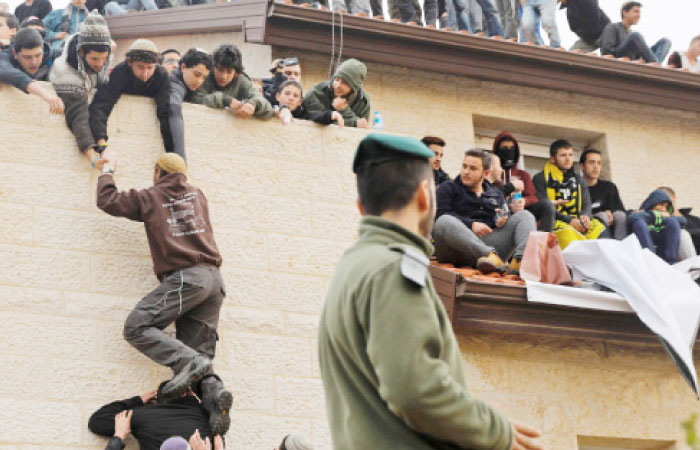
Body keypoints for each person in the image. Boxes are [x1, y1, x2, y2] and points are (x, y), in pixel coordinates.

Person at [319, 134, 542, 450]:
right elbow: (415, 390)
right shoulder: (394, 270)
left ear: (361, 206)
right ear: (425, 196)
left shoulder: (353, 267)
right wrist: (494, 431)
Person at [95, 153, 232, 435]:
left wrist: (107, 171)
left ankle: (191, 363)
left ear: (158, 173)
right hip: (214, 281)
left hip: (187, 279)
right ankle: (214, 393)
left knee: (136, 327)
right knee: (198, 356)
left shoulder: (151, 196)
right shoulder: (198, 195)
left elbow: (108, 201)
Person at [434, 148, 537, 274]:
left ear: (486, 173)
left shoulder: (495, 193)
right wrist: (471, 225)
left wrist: (501, 221)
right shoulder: (448, 187)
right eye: (464, 166)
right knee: (443, 220)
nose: (466, 172)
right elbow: (439, 216)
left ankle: (520, 262)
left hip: (490, 252)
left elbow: (506, 217)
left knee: (525, 215)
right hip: (456, 250)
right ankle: (488, 255)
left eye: (473, 169)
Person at [49, 11, 112, 168]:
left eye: (104, 59)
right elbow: (78, 118)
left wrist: (102, 144)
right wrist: (93, 158)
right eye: (95, 59)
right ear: (81, 52)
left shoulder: (103, 58)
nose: (100, 64)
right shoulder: (66, 74)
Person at [89, 39, 173, 156]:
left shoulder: (162, 76)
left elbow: (166, 114)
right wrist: (101, 143)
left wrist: (172, 154)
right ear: (129, 63)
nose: (145, 74)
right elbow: (101, 106)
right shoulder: (120, 72)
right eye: (140, 67)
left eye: (150, 68)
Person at [88, 386, 225, 450]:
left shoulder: (143, 414)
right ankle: (214, 386)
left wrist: (138, 400)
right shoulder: (206, 416)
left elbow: (97, 421)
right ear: (189, 394)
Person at [533, 139, 606, 249]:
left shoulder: (579, 180)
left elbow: (586, 204)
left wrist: (585, 217)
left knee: (601, 228)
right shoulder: (540, 178)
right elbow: (545, 208)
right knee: (569, 234)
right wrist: (570, 221)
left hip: (576, 221)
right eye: (563, 155)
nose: (568, 159)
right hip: (556, 221)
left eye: (571, 155)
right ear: (552, 159)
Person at [191, 44, 272, 125]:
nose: (223, 76)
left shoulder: (242, 80)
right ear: (213, 67)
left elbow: (267, 107)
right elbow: (195, 99)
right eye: (220, 70)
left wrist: (253, 104)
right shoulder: (205, 75)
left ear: (236, 72)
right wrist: (225, 100)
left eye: (229, 72)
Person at [493, 132, 555, 232]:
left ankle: (544, 242)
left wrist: (524, 201)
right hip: (499, 217)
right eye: (504, 149)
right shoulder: (491, 175)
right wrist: (510, 188)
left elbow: (534, 197)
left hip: (522, 213)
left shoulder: (523, 175)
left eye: (512, 148)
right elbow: (487, 195)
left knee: (546, 205)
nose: (508, 152)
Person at [0, 28, 63, 114]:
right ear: (15, 54)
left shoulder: (52, 54)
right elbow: (5, 71)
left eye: (38, 55)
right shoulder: (5, 56)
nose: (34, 62)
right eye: (27, 57)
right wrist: (44, 93)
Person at [169, 47, 212, 159]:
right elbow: (174, 113)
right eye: (197, 74)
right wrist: (180, 160)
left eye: (204, 78)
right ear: (183, 67)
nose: (199, 81)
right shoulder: (175, 84)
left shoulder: (191, 84)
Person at [303, 58, 370, 128]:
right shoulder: (318, 92)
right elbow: (314, 123)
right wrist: (354, 123)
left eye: (344, 82)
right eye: (337, 79)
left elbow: (361, 131)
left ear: (354, 87)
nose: (337, 85)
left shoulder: (362, 101)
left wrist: (344, 110)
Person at [600, 1, 670, 64]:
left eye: (639, 12)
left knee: (665, 41)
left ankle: (654, 64)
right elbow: (606, 51)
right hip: (618, 57)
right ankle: (655, 63)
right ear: (625, 13)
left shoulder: (631, 33)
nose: (639, 15)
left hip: (635, 60)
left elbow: (639, 55)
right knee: (635, 35)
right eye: (636, 11)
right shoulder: (612, 27)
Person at [578, 149, 626, 240]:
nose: (596, 166)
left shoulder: (609, 186)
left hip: (611, 225)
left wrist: (610, 211)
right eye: (592, 162)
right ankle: (607, 248)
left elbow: (620, 209)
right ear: (582, 166)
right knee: (601, 216)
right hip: (589, 226)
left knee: (620, 215)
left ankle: (622, 247)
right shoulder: (576, 189)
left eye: (599, 163)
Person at [628, 190, 682, 264]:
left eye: (666, 207)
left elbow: (683, 220)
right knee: (639, 223)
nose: (663, 208)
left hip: (662, 253)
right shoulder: (637, 212)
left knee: (673, 223)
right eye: (660, 204)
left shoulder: (667, 218)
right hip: (643, 255)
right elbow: (632, 217)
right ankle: (650, 260)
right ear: (651, 203)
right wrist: (654, 214)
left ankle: (671, 262)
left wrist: (659, 216)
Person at [657, 186, 698, 261]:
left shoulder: (694, 220)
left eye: (660, 198)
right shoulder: (658, 221)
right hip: (674, 263)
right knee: (681, 233)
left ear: (672, 197)